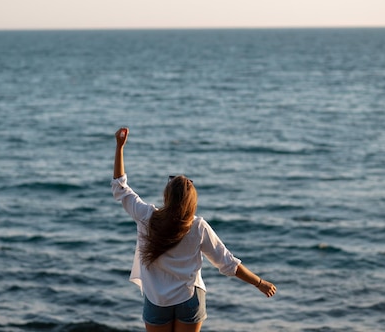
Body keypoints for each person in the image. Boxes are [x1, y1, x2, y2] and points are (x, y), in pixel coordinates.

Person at [111, 127, 277, 332]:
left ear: (167, 196)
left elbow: (120, 187)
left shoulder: (146, 216)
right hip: (189, 299)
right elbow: (228, 264)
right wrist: (259, 283)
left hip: (156, 300)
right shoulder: (197, 226)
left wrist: (119, 147)